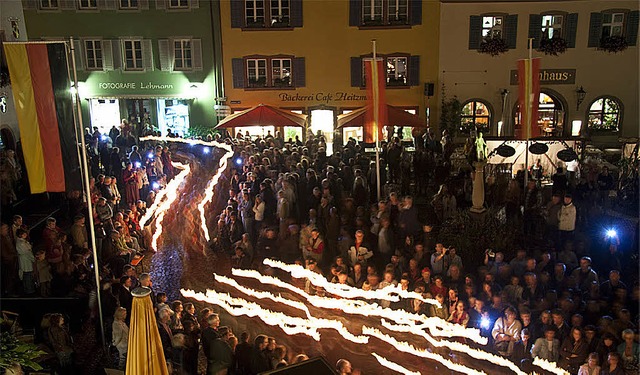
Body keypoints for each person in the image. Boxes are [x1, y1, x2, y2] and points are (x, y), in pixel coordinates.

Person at [15, 228, 35, 295]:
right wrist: (33, 259)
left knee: (28, 276)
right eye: (24, 234)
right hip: (25, 261)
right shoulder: (21, 243)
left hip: (26, 261)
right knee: (27, 276)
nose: (25, 234)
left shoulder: (23, 242)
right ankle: (29, 290)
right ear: (20, 235)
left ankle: (29, 289)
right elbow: (27, 252)